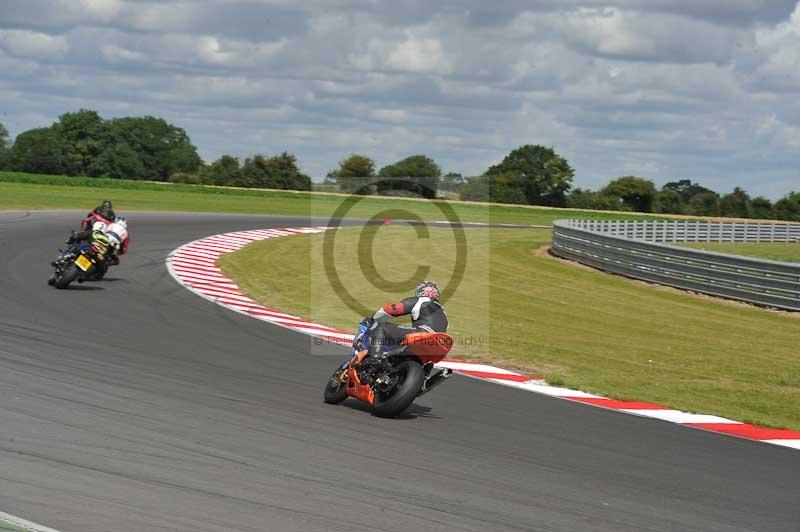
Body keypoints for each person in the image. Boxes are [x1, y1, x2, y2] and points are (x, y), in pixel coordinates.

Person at [360, 281, 448, 364]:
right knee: (428, 361)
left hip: (423, 334)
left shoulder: (422, 300)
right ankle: (425, 376)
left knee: (379, 327)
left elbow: (395, 309)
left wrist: (375, 318)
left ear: (420, 291)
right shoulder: (444, 314)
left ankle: (374, 360)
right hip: (439, 344)